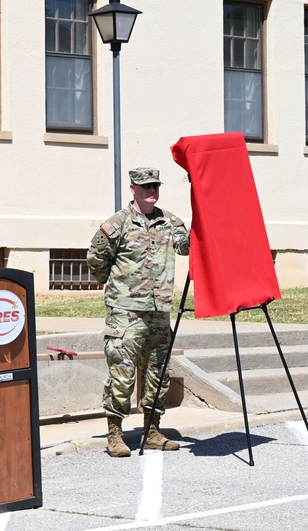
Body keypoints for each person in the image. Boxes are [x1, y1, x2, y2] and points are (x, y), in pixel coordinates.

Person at [86, 167, 190, 458]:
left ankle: (152, 431)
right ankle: (115, 435)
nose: (151, 191)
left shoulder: (169, 222)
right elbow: (96, 257)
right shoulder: (118, 223)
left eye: (155, 185)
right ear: (133, 188)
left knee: (158, 374)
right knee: (122, 374)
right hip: (126, 313)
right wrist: (113, 287)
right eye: (145, 186)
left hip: (159, 312)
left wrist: (206, 220)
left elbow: (187, 247)